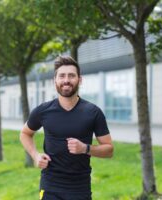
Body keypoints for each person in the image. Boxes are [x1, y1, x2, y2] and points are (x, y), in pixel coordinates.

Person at [20, 56, 113, 200]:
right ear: (55, 81)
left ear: (79, 80)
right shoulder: (43, 110)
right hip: (50, 186)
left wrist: (85, 148)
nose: (66, 80)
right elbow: (25, 133)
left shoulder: (93, 112)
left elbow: (109, 150)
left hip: (79, 188)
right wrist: (35, 155)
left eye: (71, 75)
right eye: (62, 76)